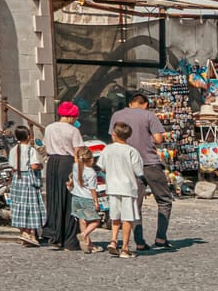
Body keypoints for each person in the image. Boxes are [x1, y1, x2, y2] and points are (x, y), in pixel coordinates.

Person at [107, 91, 173, 249]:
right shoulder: (149, 115)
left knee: (135, 204)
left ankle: (139, 242)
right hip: (149, 163)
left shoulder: (116, 115)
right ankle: (161, 238)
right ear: (145, 104)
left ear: (130, 103)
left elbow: (113, 139)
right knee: (164, 200)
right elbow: (158, 139)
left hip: (128, 166)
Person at [40, 102, 84, 251]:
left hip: (52, 163)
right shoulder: (73, 131)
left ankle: (54, 233)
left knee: (54, 198)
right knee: (69, 199)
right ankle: (69, 239)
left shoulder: (49, 128)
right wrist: (79, 172)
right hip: (67, 162)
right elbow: (77, 153)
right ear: (72, 116)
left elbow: (46, 146)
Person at [99, 122, 144, 259]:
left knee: (115, 216)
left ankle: (113, 240)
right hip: (128, 187)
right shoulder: (131, 151)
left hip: (112, 186)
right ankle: (125, 247)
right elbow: (139, 171)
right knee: (127, 218)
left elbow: (102, 166)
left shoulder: (107, 149)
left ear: (114, 134)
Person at [5, 124, 45, 246]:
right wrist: (40, 165)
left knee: (19, 206)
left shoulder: (13, 150)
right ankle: (28, 233)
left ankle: (23, 232)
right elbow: (33, 165)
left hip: (17, 179)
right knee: (30, 205)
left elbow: (12, 166)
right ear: (28, 136)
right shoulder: (30, 150)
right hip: (28, 179)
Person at [69, 145, 106, 253]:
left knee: (82, 221)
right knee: (96, 221)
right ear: (91, 159)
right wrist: (96, 202)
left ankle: (88, 244)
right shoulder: (91, 173)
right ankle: (84, 235)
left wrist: (76, 151)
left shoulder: (75, 167)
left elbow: (76, 159)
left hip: (76, 197)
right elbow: (92, 189)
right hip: (87, 199)